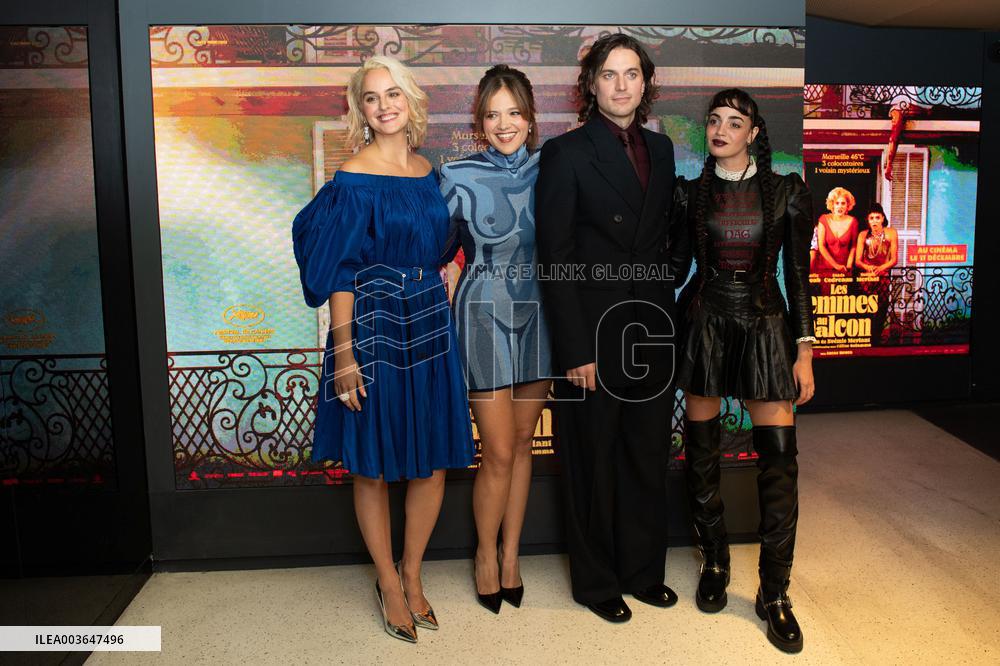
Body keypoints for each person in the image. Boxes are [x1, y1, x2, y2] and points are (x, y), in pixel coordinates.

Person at [291, 56, 474, 644]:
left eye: (393, 93)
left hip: (429, 321)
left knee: (433, 458)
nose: (384, 105)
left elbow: (450, 241)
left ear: (411, 100)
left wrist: (449, 267)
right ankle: (388, 583)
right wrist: (344, 355)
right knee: (371, 462)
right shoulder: (352, 178)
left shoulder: (429, 173)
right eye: (371, 97)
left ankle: (413, 573)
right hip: (371, 326)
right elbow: (341, 272)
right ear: (361, 110)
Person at [535, 33, 683, 623]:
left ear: (645, 84)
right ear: (591, 85)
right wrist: (574, 348)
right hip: (593, 336)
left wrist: (666, 289)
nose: (621, 85)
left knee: (646, 455)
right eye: (609, 74)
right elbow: (555, 257)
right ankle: (597, 583)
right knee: (591, 462)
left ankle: (642, 572)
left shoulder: (663, 149)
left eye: (631, 74)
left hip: (651, 329)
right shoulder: (566, 153)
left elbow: (667, 236)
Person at [672, 89, 815, 654]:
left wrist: (805, 351)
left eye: (735, 123)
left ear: (753, 133)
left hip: (765, 324)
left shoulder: (786, 192)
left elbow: (798, 276)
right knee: (701, 453)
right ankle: (715, 561)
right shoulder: (691, 194)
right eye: (715, 121)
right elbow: (674, 267)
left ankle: (774, 592)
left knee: (780, 462)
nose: (721, 130)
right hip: (707, 321)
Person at [439, 65, 552, 614]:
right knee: (500, 451)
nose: (504, 124)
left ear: (530, 118)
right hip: (482, 315)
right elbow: (432, 248)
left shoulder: (553, 168)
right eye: (492, 114)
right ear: (479, 122)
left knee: (524, 443)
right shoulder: (456, 175)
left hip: (542, 318)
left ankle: (512, 555)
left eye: (514, 112)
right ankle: (485, 554)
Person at [855, 202, 897, 344]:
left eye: (877, 218)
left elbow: (894, 259)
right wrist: (868, 268)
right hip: (866, 278)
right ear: (868, 220)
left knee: (881, 307)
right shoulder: (863, 235)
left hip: (883, 276)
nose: (874, 221)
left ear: (883, 218)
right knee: (866, 309)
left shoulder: (891, 233)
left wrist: (882, 268)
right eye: (871, 218)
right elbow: (857, 261)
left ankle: (876, 339)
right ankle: (866, 340)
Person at [813, 186, 859, 294]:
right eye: (837, 203)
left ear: (848, 205)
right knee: (827, 300)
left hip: (844, 268)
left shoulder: (853, 221)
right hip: (826, 268)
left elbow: (854, 245)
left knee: (843, 301)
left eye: (843, 203)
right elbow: (821, 246)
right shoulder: (823, 219)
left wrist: (849, 265)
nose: (840, 206)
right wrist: (836, 266)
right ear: (832, 205)